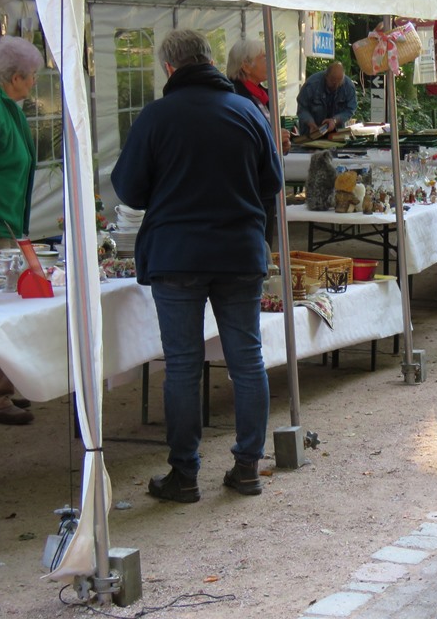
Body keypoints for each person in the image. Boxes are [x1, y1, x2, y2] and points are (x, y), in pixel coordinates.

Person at [112, 30, 283, 502]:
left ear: (169, 68)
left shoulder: (156, 116)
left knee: (184, 367)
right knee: (247, 361)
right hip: (239, 252)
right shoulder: (249, 112)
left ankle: (184, 475)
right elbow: (272, 184)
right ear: (208, 60)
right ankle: (247, 467)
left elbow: (128, 190)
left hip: (177, 255)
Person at [0, 36, 43, 427]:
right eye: (31, 79)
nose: (33, 86)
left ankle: (3, 387)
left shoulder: (9, 107)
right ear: (14, 78)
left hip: (9, 221)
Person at [227, 38, 289, 249]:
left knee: (264, 245)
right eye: (264, 57)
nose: (270, 61)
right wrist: (273, 139)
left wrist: (281, 143)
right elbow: (239, 141)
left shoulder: (263, 94)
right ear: (245, 65)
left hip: (264, 184)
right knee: (253, 247)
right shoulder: (233, 96)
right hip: (245, 187)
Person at [295, 62, 357, 136]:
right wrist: (310, 123)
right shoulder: (312, 84)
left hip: (336, 133)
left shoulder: (348, 86)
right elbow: (302, 109)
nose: (336, 86)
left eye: (339, 83)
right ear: (326, 76)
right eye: (333, 82)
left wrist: (335, 120)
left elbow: (350, 109)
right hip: (311, 132)